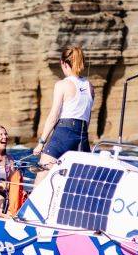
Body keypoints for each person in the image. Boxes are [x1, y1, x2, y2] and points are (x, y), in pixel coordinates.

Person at [33, 46, 94, 185]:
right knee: (76, 183)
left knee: (41, 178)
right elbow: (88, 118)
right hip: (82, 138)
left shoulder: (62, 84)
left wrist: (41, 143)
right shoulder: (90, 86)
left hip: (63, 135)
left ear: (64, 63)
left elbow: (53, 117)